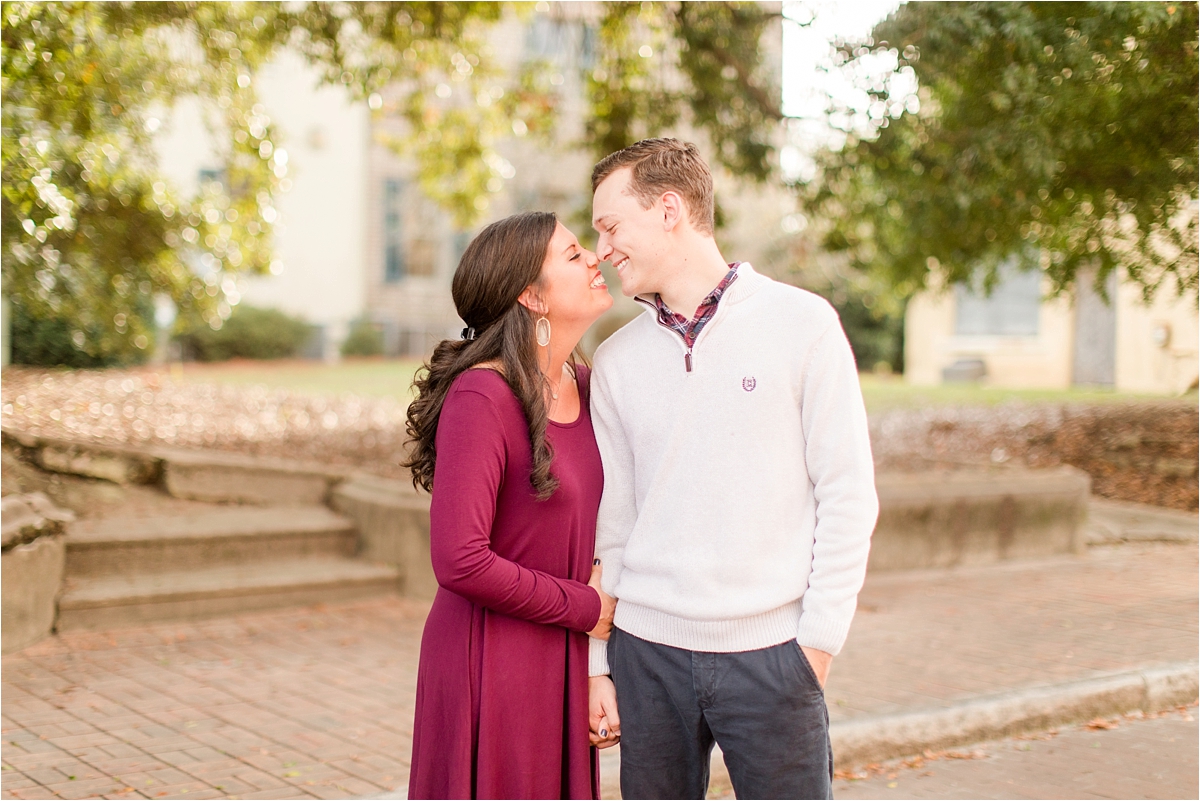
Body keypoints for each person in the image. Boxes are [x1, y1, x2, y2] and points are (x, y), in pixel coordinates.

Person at [585, 138, 879, 799]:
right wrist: (600, 662)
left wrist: (818, 645)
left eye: (610, 226)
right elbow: (613, 527)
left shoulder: (803, 324)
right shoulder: (617, 360)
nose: (601, 248)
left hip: (774, 656)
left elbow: (848, 494)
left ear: (668, 209)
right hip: (647, 656)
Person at [404, 211, 618, 800]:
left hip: (565, 651)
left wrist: (597, 666)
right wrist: (583, 607)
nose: (595, 257)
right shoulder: (481, 396)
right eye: (573, 255)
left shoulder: (591, 385)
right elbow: (459, 560)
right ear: (531, 294)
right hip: (490, 659)